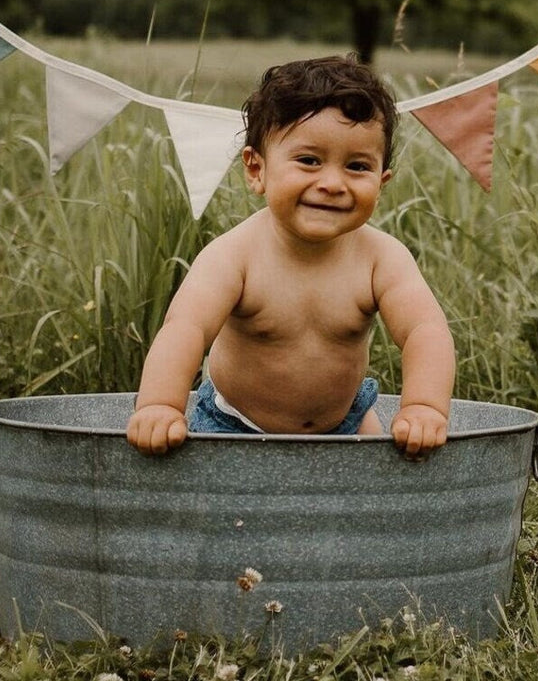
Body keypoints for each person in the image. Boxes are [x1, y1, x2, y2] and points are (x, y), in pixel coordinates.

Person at [126, 55, 455, 457]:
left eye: (357, 166)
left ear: (381, 181)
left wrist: (423, 406)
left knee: (381, 496)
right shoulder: (234, 256)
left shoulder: (382, 258)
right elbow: (185, 329)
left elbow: (425, 331)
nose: (332, 183)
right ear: (256, 169)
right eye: (309, 161)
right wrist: (160, 405)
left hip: (346, 418)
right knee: (229, 513)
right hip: (234, 424)